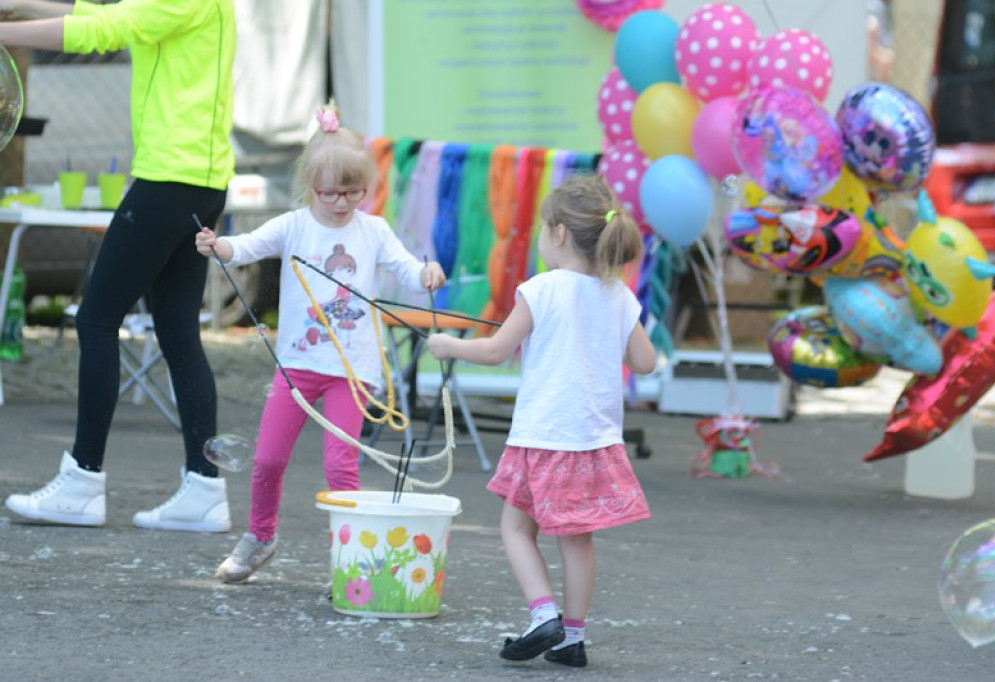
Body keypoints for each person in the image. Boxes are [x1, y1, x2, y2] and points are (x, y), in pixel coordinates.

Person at [1, 0, 237, 532]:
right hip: (194, 178)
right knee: (178, 334)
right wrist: (16, 5)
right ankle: (204, 490)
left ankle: (83, 481)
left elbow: (104, 29)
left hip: (171, 179)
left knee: (97, 320)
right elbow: (102, 11)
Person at [196, 105, 446, 584]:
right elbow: (243, 246)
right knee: (268, 459)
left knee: (340, 466)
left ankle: (348, 561)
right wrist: (218, 245)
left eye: (354, 192)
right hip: (296, 365)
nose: (342, 202)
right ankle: (260, 536)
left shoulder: (372, 230)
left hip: (351, 371)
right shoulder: (294, 226)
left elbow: (406, 269)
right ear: (310, 186)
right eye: (330, 192)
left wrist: (426, 273)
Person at [426, 174, 656, 668]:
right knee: (577, 540)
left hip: (544, 435)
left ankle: (542, 613)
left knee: (515, 529)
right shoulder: (618, 295)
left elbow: (494, 351)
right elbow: (645, 363)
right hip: (593, 440)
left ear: (558, 234)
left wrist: (447, 346)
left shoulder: (540, 289)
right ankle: (572, 638)